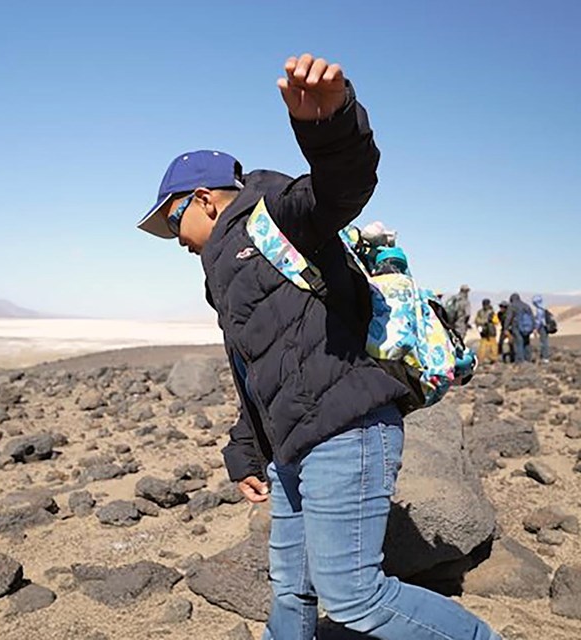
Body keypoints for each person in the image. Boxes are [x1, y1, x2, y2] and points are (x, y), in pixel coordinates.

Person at [137, 53, 500, 640]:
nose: (171, 239)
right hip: (291, 448)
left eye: (171, 220)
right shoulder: (221, 274)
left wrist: (328, 124)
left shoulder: (274, 213)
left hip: (346, 430)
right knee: (292, 590)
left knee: (356, 599)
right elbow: (259, 370)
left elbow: (341, 185)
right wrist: (246, 452)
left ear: (204, 199)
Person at [503, 292, 534, 363]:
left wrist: (506, 328)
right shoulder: (526, 305)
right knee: (526, 343)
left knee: (518, 343)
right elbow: (532, 317)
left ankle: (520, 360)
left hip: (516, 327)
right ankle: (528, 358)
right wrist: (533, 327)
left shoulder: (512, 306)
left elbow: (508, 318)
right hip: (527, 327)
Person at [474, 298, 498, 364]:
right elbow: (496, 321)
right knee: (491, 346)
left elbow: (476, 320)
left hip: (485, 331)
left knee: (485, 345)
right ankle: (492, 358)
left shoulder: (481, 312)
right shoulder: (491, 312)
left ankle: (483, 359)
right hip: (489, 331)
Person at [532, 294, 550, 363]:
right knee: (545, 341)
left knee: (543, 342)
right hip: (546, 327)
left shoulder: (539, 310)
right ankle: (545, 356)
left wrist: (536, 329)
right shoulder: (544, 308)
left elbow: (538, 321)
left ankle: (545, 357)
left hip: (542, 327)